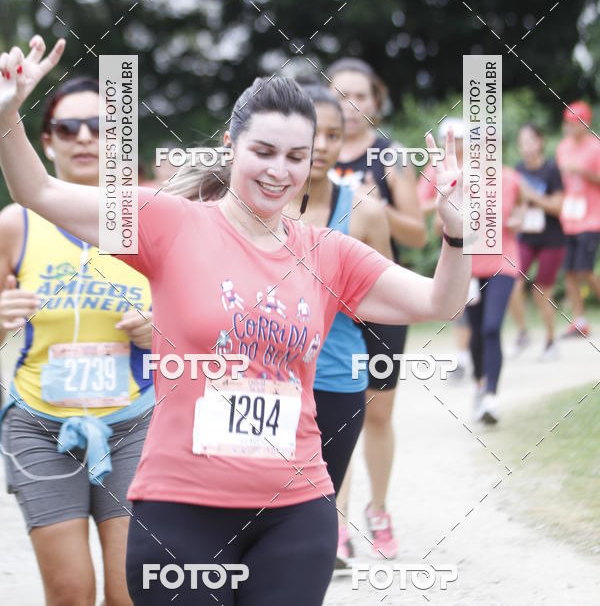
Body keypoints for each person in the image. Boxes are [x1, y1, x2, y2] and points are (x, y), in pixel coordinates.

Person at [0, 36, 470, 606]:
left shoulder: (329, 253)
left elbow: (438, 303)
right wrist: (8, 114)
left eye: (297, 158)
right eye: (264, 152)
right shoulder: (168, 224)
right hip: (179, 509)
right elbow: (38, 191)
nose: (280, 171)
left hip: (295, 512)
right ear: (231, 145)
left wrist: (456, 233)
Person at [0, 74, 154, 606]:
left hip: (136, 421)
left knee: (128, 592)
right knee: (69, 594)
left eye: (101, 126)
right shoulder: (14, 226)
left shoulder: (150, 217)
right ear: (47, 142)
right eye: (68, 127)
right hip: (39, 425)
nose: (85, 138)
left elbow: (205, 319)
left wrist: (164, 330)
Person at [288, 83, 392, 567]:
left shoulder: (366, 211)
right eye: (313, 133)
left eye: (333, 134)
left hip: (336, 374)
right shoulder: (253, 204)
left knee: (319, 498)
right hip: (266, 376)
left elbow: (384, 296)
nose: (323, 145)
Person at [327, 57, 426, 559]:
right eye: (340, 95)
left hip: (384, 300)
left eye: (360, 96)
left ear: (375, 101)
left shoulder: (391, 157)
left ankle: (379, 510)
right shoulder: (310, 153)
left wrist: (371, 205)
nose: (350, 106)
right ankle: (337, 526)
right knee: (337, 411)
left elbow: (417, 231)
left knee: (378, 413)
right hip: (331, 302)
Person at [417, 117, 472, 380]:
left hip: (481, 247)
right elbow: (420, 205)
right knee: (460, 302)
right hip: (452, 245)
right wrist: (443, 202)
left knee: (477, 308)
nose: (457, 144)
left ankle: (479, 355)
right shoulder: (434, 169)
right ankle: (462, 358)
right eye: (452, 139)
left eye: (461, 139)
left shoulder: (477, 166)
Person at [469, 166, 522, 424]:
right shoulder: (461, 179)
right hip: (469, 269)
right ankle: (479, 385)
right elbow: (440, 226)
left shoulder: (510, 178)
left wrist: (519, 218)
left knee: (491, 328)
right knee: (475, 332)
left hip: (503, 264)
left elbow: (523, 206)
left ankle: (491, 395)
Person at [509, 123, 566, 357]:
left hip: (551, 239)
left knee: (541, 292)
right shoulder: (517, 171)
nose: (527, 147)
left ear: (540, 142)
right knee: (511, 282)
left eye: (531, 141)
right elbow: (513, 204)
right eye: (522, 143)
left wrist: (533, 196)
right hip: (524, 237)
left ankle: (551, 341)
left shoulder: (552, 170)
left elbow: (558, 206)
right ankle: (523, 332)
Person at [556, 101, 600, 338]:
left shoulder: (595, 147)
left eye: (577, 123)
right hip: (569, 217)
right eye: (569, 123)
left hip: (591, 218)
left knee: (585, 270)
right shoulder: (562, 148)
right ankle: (579, 321)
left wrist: (584, 173)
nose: (573, 128)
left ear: (586, 123)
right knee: (570, 271)